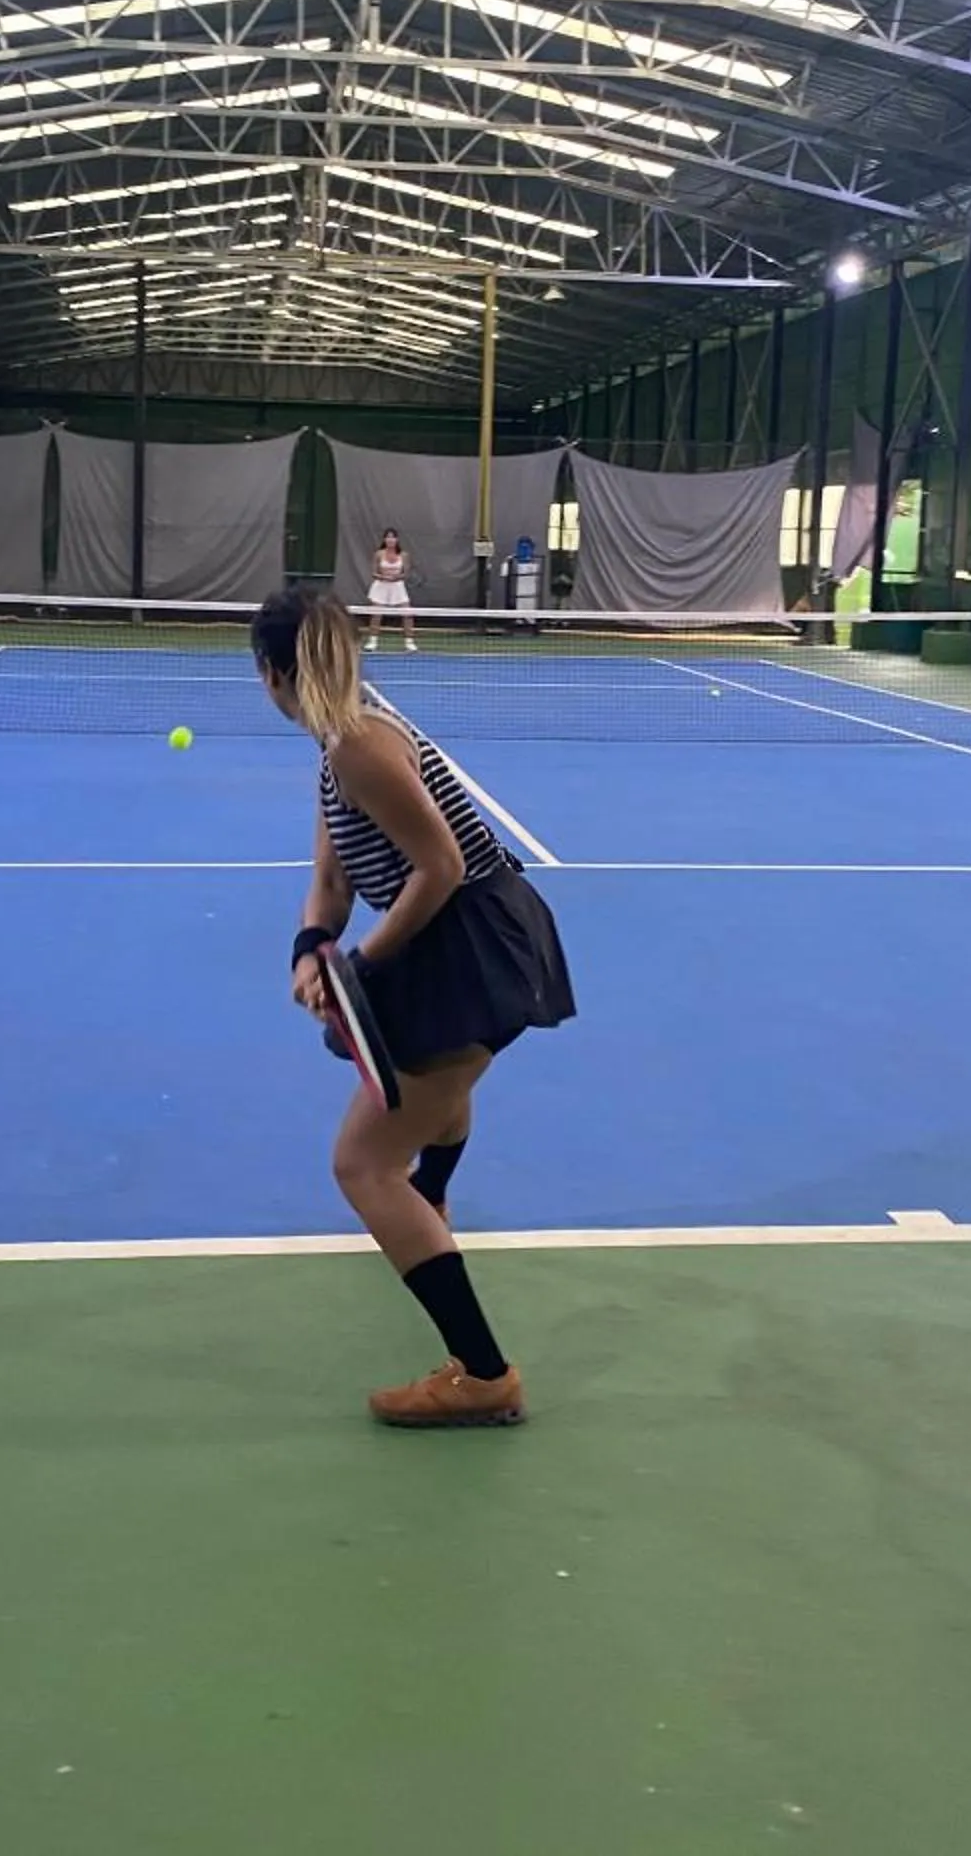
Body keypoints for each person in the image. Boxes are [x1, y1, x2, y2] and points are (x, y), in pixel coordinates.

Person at [252, 588, 577, 1427]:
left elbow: (440, 867)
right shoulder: (341, 743)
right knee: (438, 1084)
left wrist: (359, 967)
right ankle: (430, 1199)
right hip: (462, 938)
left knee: (362, 1164)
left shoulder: (362, 747)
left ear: (269, 674)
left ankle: (484, 1375)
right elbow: (332, 877)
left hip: (469, 944)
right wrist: (311, 949)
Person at [366, 528, 418, 653]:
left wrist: (396, 577)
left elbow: (406, 573)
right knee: (376, 615)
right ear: (384, 540)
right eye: (388, 537)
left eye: (393, 537)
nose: (390, 540)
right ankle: (372, 642)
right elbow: (373, 573)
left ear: (397, 539)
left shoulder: (404, 555)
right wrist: (383, 577)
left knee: (407, 614)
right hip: (380, 587)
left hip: (398, 587)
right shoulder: (378, 554)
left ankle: (409, 643)